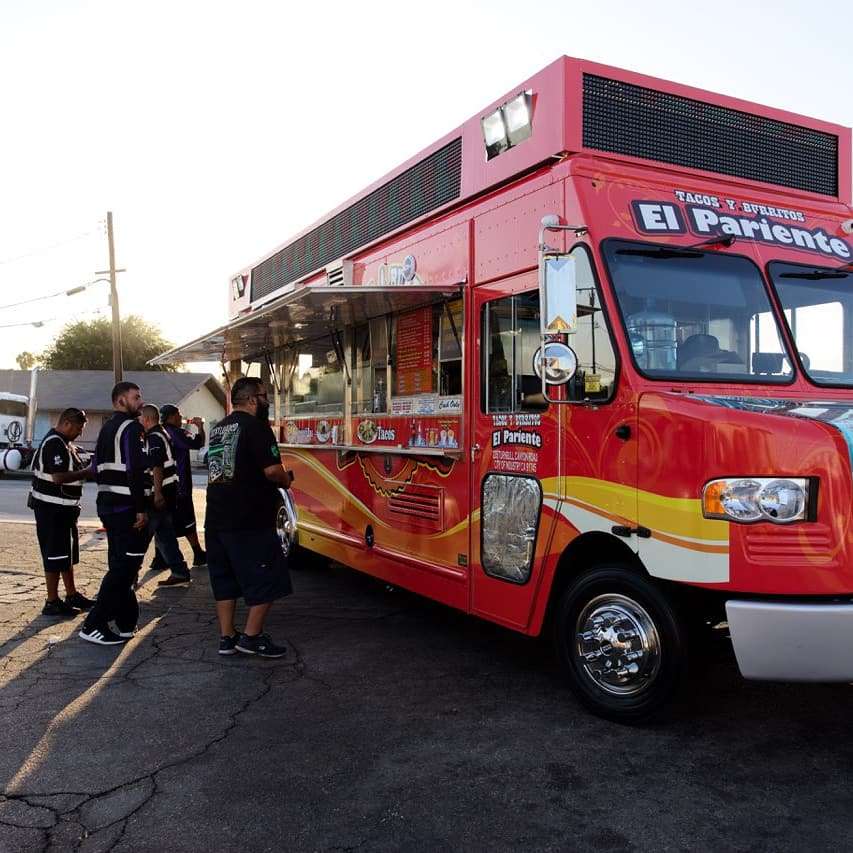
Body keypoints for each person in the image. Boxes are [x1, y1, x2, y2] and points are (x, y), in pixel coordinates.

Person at [205, 377, 293, 657]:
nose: (267, 402)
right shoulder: (257, 427)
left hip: (216, 516)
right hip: (249, 518)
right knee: (270, 576)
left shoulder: (219, 429)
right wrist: (286, 480)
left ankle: (227, 637)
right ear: (253, 399)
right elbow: (271, 471)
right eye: (265, 396)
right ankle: (252, 637)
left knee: (224, 578)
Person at [79, 381, 152, 646]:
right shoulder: (131, 428)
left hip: (108, 505)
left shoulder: (107, 427)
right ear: (121, 400)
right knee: (125, 568)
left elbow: (96, 468)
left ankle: (125, 621)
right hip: (126, 509)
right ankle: (94, 623)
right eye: (136, 397)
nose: (140, 402)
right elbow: (133, 469)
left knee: (121, 565)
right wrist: (141, 509)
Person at [28, 408, 94, 617]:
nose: (80, 433)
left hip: (64, 510)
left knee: (66, 554)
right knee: (54, 555)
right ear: (66, 423)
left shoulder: (65, 444)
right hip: (51, 510)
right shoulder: (54, 444)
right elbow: (58, 477)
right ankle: (52, 601)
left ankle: (71, 594)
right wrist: (87, 472)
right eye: (78, 428)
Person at [139, 404, 191, 587]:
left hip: (160, 493)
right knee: (164, 533)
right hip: (169, 490)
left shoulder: (154, 437)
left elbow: (157, 466)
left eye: (140, 418)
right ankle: (180, 571)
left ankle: (129, 574)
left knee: (143, 534)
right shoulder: (161, 434)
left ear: (146, 419)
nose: (139, 421)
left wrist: (157, 493)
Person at [156, 404, 207, 569]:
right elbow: (197, 443)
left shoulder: (156, 433)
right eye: (178, 415)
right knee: (187, 520)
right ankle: (197, 553)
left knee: (163, 522)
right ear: (172, 416)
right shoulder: (176, 433)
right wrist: (200, 427)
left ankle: (160, 558)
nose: (181, 417)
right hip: (179, 486)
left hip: (162, 485)